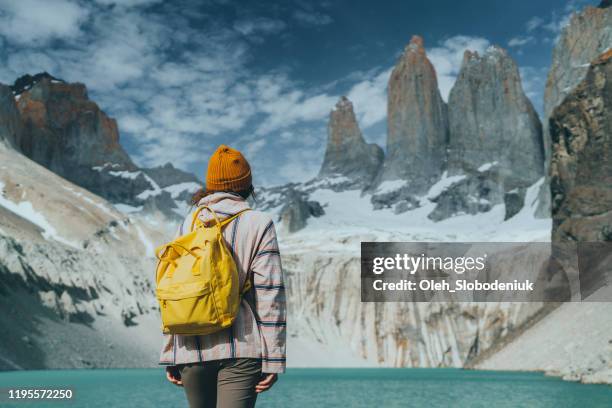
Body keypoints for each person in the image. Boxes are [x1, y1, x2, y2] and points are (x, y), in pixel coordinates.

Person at [160, 145, 286, 408]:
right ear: (247, 185)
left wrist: (171, 352)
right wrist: (273, 359)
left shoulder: (187, 224)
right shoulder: (259, 223)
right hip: (241, 347)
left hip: (190, 348)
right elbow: (269, 293)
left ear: (209, 185)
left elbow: (173, 290)